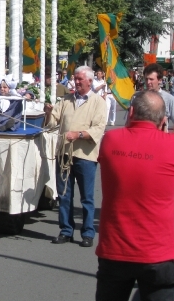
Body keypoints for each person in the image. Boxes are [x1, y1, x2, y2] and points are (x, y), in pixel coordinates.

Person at [96, 90, 174, 300]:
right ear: (164, 120)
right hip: (158, 252)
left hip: (114, 250)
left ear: (132, 112)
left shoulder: (110, 140)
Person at [44, 66, 107, 247]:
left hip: (85, 156)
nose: (77, 82)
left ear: (89, 81)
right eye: (76, 79)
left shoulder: (97, 102)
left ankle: (87, 233)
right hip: (64, 154)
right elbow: (52, 122)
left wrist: (78, 134)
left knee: (87, 197)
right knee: (64, 195)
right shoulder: (65, 100)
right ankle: (66, 231)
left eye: (80, 79)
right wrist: (48, 112)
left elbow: (98, 128)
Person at [143, 63, 174, 135]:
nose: (148, 82)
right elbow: (129, 123)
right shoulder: (136, 98)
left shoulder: (169, 98)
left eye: (151, 79)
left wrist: (171, 141)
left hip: (160, 141)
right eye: (146, 79)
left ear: (160, 80)